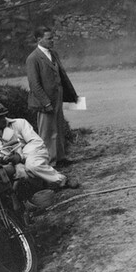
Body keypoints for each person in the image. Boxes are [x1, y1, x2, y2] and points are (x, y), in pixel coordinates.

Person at [0, 103, 79, 189]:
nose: (3, 119)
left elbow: (36, 142)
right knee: (20, 175)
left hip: (33, 154)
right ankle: (41, 185)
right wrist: (2, 159)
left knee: (32, 166)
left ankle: (63, 180)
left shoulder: (19, 123)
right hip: (12, 163)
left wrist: (21, 156)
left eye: (3, 116)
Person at [25, 25, 78, 167]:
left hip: (57, 97)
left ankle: (60, 157)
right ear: (39, 39)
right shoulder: (33, 58)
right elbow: (34, 84)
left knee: (58, 128)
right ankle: (50, 161)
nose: (52, 40)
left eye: (52, 38)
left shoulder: (53, 54)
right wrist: (46, 102)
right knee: (47, 132)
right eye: (49, 38)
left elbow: (60, 75)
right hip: (45, 101)